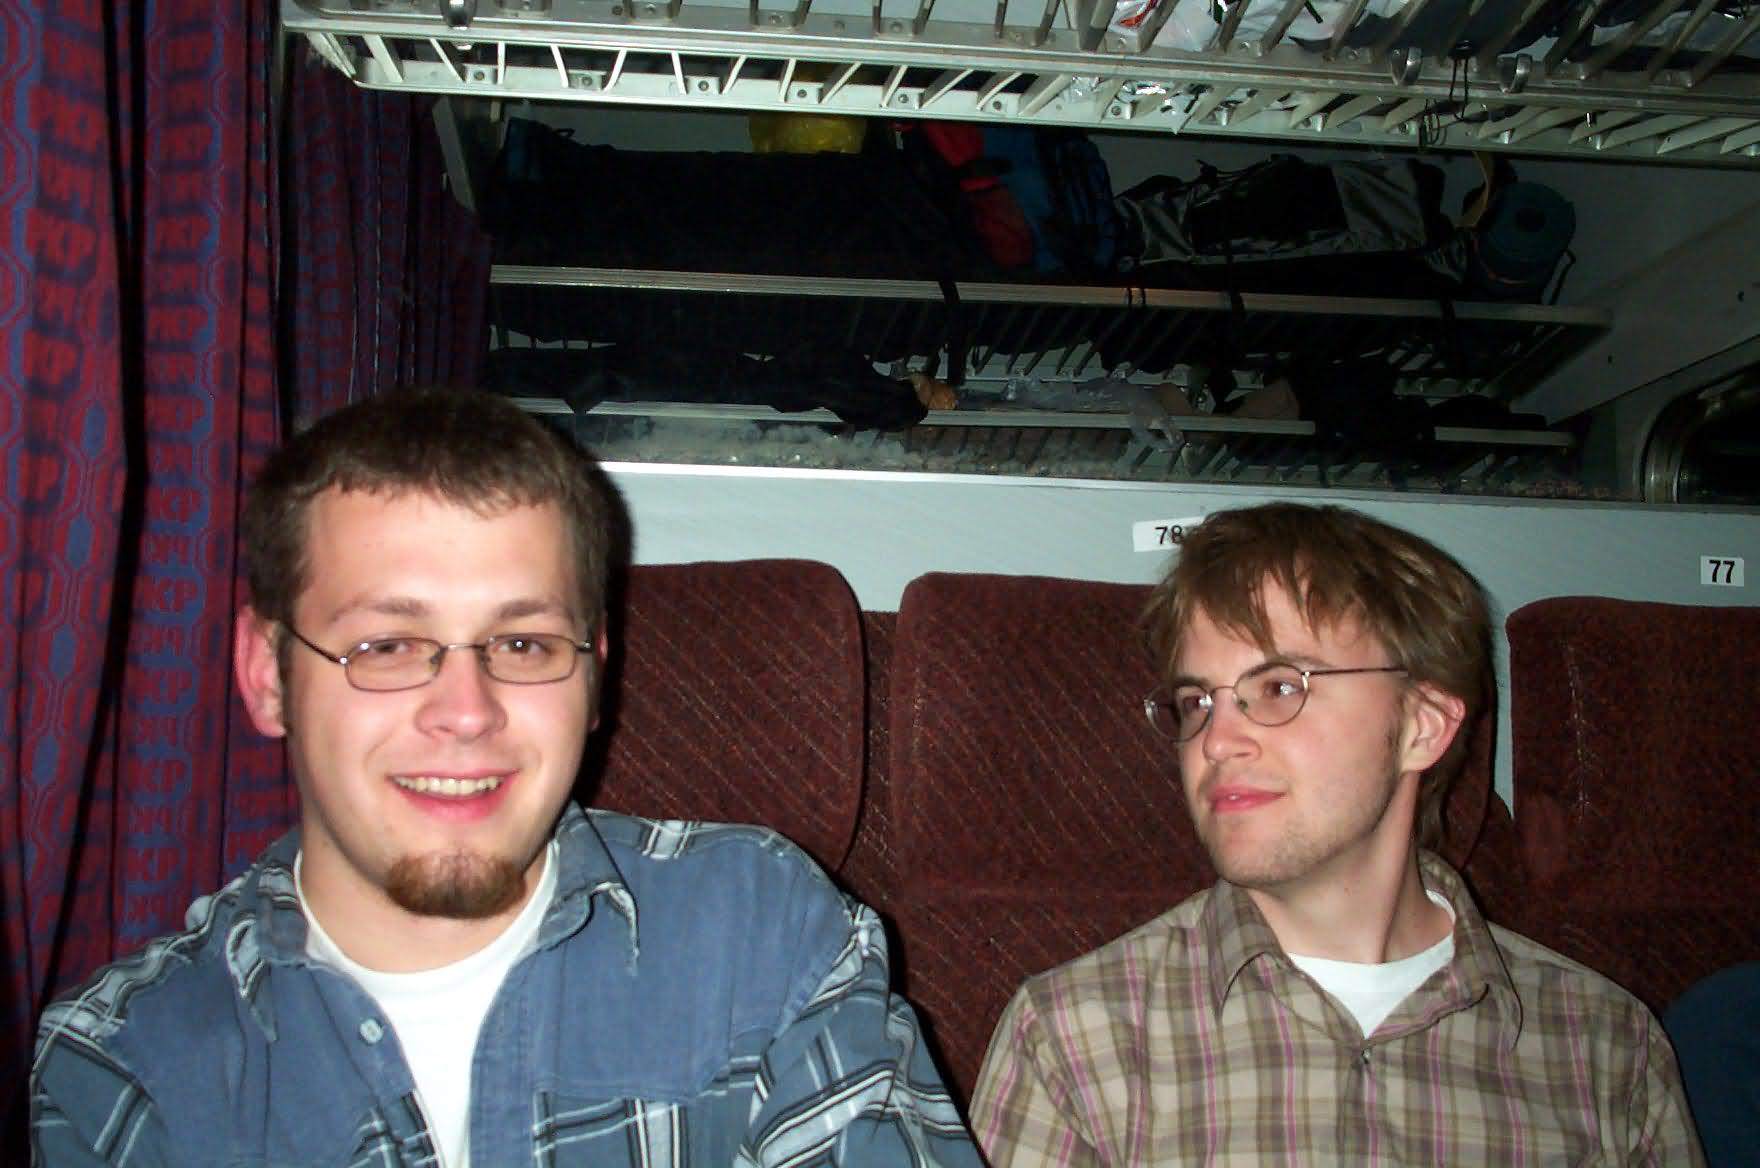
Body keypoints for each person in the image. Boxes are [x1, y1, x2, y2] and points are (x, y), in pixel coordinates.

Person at [32, 389, 979, 1167]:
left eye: (523, 643)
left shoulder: (763, 937)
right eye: (388, 645)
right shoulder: (122, 1069)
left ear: (595, 672)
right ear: (267, 674)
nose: (467, 711)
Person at [970, 502, 1703, 1166]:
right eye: (1196, 702)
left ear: (1422, 726)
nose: (1216, 741)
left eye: (1279, 688)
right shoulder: (1076, 1042)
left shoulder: (1604, 1050)